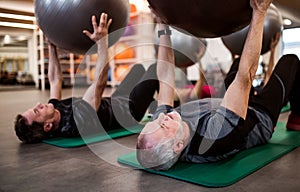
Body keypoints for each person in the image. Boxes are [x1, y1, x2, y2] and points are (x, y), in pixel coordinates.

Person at [136, 0, 300, 171]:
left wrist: (163, 25)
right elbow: (245, 77)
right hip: (258, 116)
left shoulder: (165, 125)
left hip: (222, 106)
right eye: (162, 125)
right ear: (178, 146)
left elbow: (165, 77)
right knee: (290, 61)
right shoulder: (214, 136)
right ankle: (297, 115)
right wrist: (259, 13)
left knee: (236, 64)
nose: (162, 117)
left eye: (155, 121)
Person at [14, 13, 159, 143]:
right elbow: (99, 84)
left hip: (116, 100)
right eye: (37, 112)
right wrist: (102, 42)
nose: (39, 104)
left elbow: (55, 80)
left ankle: (152, 101)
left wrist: (51, 46)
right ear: (47, 126)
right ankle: (165, 108)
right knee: (156, 69)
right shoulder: (76, 122)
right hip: (129, 111)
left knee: (138, 68)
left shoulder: (54, 110)